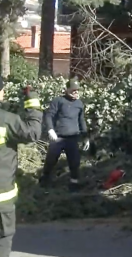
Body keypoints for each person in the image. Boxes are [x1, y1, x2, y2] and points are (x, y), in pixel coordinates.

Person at [0, 80, 43, 257]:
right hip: (2, 197)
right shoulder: (7, 120)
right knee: (3, 237)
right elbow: (32, 132)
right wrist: (31, 100)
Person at [39, 79, 90, 191]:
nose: (76, 93)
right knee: (51, 159)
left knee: (74, 161)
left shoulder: (79, 104)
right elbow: (49, 116)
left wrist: (86, 137)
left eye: (77, 91)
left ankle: (74, 183)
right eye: (73, 90)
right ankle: (45, 180)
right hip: (58, 137)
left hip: (73, 137)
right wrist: (50, 129)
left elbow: (82, 121)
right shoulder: (58, 101)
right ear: (67, 90)